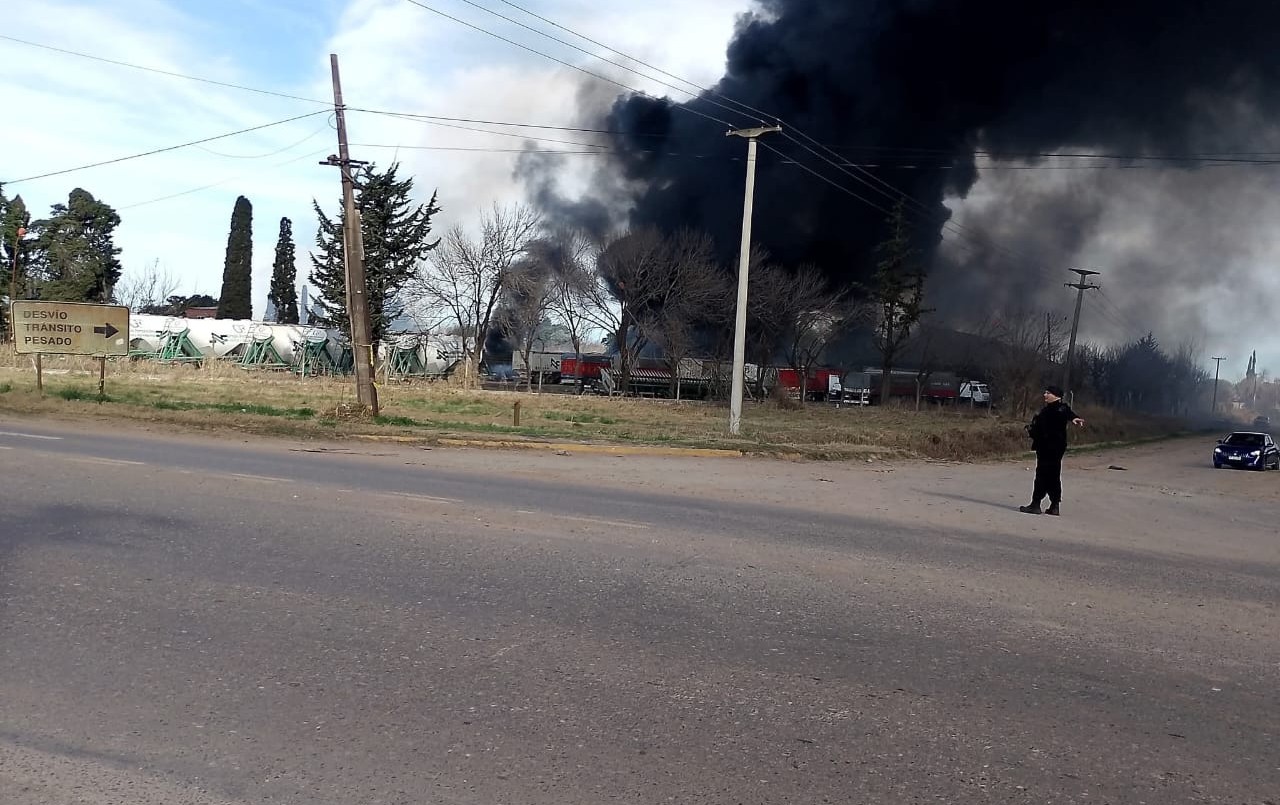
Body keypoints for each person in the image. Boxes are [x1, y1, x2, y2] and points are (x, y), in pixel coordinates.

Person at [1019, 384, 1085, 516]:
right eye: (1045, 392)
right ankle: (1054, 506)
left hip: (1050, 447)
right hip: (1051, 446)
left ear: (1056, 395)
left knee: (1042, 474)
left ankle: (1036, 504)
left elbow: (1068, 413)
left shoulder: (1060, 408)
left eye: (1048, 393)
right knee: (1053, 475)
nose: (1045, 395)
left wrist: (1074, 418)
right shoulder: (1047, 409)